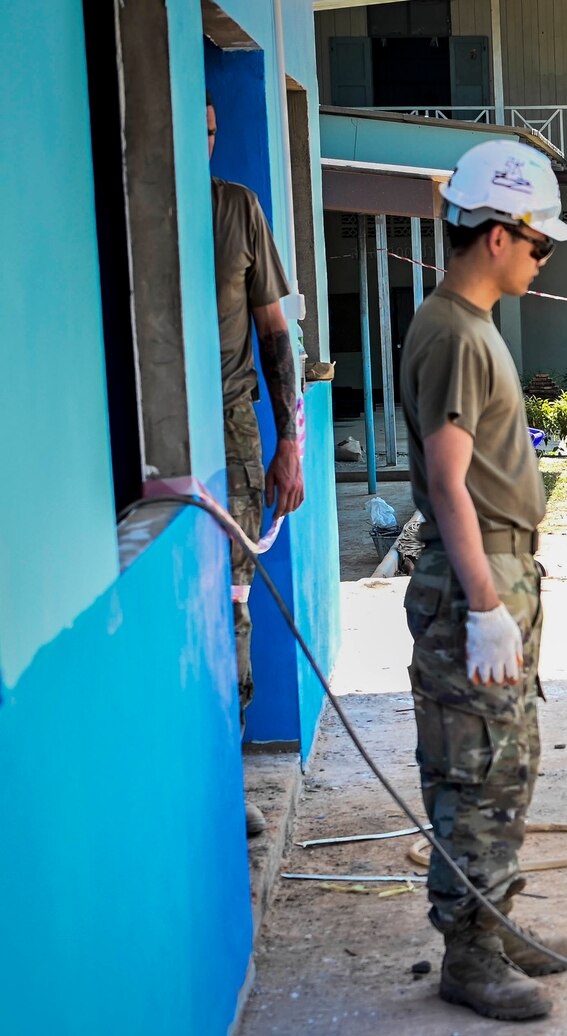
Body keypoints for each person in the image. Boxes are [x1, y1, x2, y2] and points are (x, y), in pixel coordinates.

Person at [399, 140, 567, 1020]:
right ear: (500, 235)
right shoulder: (456, 333)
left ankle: (494, 919)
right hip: (478, 571)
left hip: (504, 564)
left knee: (507, 764)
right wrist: (483, 605)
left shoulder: (466, 327)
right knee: (475, 770)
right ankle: (468, 956)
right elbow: (446, 479)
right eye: (540, 243)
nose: (543, 259)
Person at [209, 99, 305, 835]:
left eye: (215, 129)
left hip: (235, 429)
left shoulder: (235, 208)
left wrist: (289, 442)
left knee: (237, 602)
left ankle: (230, 776)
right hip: (159, 437)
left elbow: (275, 329)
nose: (206, 142)